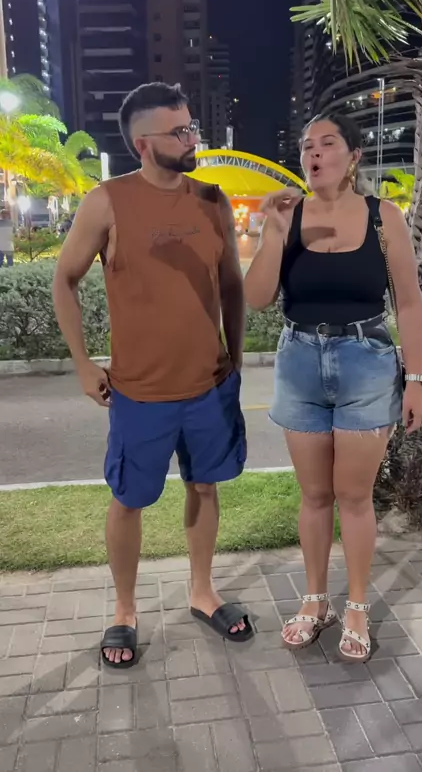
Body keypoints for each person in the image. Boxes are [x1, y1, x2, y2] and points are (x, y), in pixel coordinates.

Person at [53, 82, 251, 669]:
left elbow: (232, 286)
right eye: (179, 131)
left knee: (205, 487)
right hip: (139, 393)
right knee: (128, 501)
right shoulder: (107, 202)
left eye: (192, 127)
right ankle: (123, 609)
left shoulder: (212, 199)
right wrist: (83, 363)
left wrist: (236, 358)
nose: (193, 139)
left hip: (209, 387)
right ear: (143, 143)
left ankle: (202, 591)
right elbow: (64, 280)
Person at [244, 113, 422, 663]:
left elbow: (409, 302)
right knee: (315, 495)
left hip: (366, 362)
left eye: (327, 144)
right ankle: (315, 600)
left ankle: (357, 607)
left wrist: (416, 380)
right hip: (299, 362)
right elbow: (257, 297)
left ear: (353, 157)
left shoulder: (382, 217)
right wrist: (272, 232)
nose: (314, 154)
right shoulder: (289, 216)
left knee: (353, 495)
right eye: (307, 146)